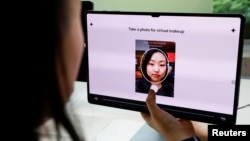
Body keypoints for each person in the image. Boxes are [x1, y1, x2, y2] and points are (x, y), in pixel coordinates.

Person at [4, 0, 207, 140]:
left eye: (162, 64)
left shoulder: (173, 88)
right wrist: (182, 137)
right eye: (76, 19)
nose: (84, 43)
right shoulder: (140, 85)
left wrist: (210, 133)